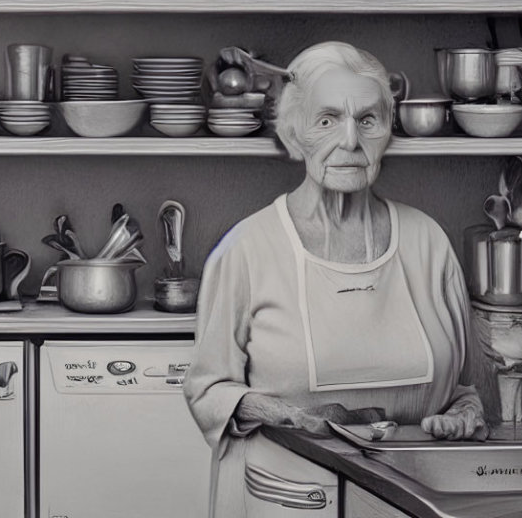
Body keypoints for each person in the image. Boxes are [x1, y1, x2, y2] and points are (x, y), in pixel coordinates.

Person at [183, 41, 487, 517]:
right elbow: (208, 391)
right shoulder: (247, 249)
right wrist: (288, 416)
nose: (349, 141)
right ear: (293, 134)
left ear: (389, 130)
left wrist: (464, 417)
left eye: (367, 120)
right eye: (326, 120)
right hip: (287, 500)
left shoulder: (428, 242)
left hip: (411, 501)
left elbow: (465, 389)